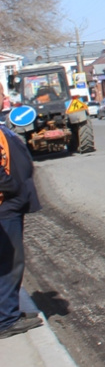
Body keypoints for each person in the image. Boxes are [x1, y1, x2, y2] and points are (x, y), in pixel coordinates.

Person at [0, 124, 42, 338]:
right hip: (5, 207)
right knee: (9, 262)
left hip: (9, 204)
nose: (3, 98)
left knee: (10, 261)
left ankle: (9, 312)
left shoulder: (2, 127)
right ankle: (5, 320)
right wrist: (12, 187)